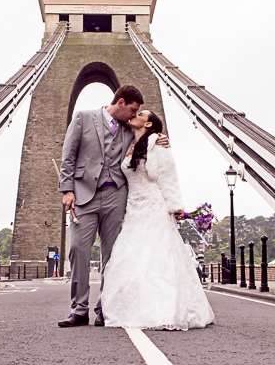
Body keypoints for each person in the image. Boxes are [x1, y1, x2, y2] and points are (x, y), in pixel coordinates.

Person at [57, 85, 167, 327]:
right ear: (121, 102)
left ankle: (104, 308)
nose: (134, 115)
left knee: (113, 255)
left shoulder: (130, 127)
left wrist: (158, 139)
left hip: (117, 195)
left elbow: (145, 138)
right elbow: (68, 155)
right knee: (78, 249)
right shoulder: (83, 118)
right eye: (132, 110)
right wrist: (66, 190)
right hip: (84, 194)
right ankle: (79, 309)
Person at [100, 110, 215, 330]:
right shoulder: (127, 141)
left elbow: (168, 176)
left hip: (153, 206)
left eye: (140, 113)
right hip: (133, 208)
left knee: (157, 258)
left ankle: (163, 308)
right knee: (130, 257)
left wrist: (176, 206)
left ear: (149, 123)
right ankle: (132, 307)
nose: (135, 114)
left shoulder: (158, 144)